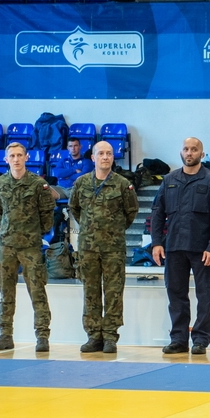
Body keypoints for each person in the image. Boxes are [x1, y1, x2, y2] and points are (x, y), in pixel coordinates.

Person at [150, 137, 210, 355]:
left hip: (202, 248)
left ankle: (201, 340)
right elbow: (157, 213)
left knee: (204, 295)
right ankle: (179, 339)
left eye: (194, 149)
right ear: (181, 152)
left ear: (202, 154)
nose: (189, 153)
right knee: (176, 294)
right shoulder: (169, 180)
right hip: (174, 247)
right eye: (186, 149)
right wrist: (156, 242)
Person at [69, 141, 138, 354]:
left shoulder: (122, 184)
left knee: (114, 292)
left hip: (113, 248)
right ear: (93, 157)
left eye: (109, 153)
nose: (105, 157)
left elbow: (131, 211)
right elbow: (74, 209)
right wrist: (92, 230)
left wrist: (112, 230)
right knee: (90, 292)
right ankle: (93, 336)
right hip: (88, 248)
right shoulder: (81, 183)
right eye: (101, 153)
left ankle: (110, 336)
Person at [0, 142, 57, 352]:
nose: (16, 159)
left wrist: (34, 233)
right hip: (7, 246)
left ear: (27, 157)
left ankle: (42, 336)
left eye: (19, 155)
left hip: (30, 247)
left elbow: (47, 214)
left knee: (37, 291)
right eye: (12, 156)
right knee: (5, 292)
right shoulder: (0, 182)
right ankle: (5, 334)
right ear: (6, 159)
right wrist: (10, 230)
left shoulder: (38, 184)